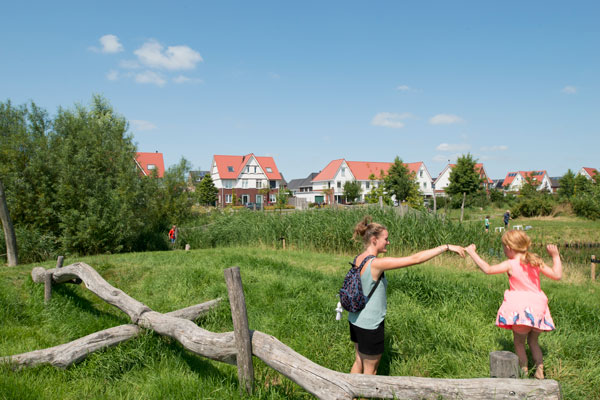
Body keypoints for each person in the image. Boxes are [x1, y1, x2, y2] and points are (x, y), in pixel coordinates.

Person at [348, 216, 465, 375]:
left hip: (355, 319)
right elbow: (415, 259)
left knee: (358, 361)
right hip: (370, 324)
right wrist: (446, 247)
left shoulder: (358, 259)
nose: (388, 242)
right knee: (370, 373)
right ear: (374, 240)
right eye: (386, 239)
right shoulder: (376, 263)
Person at [464, 230, 562, 379]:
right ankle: (540, 371)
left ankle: (523, 372)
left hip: (520, 308)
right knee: (534, 341)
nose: (504, 250)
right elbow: (557, 275)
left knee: (519, 343)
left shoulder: (510, 264)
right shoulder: (536, 261)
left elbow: (488, 269)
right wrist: (555, 256)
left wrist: (471, 252)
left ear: (509, 247)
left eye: (504, 248)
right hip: (538, 307)